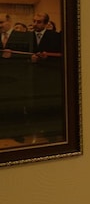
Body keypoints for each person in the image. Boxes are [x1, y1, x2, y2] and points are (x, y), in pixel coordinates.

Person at [27, 12, 64, 143]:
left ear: (46, 23)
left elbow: (62, 55)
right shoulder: (28, 36)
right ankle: (37, 128)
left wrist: (46, 58)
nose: (35, 24)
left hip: (49, 76)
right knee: (35, 103)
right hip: (32, 76)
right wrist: (30, 59)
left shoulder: (55, 36)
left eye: (39, 22)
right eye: (34, 21)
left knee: (49, 104)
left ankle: (50, 132)